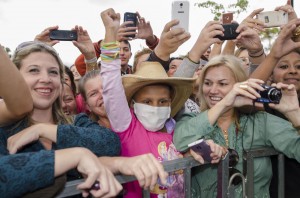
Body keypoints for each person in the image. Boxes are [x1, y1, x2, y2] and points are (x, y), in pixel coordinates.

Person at [99, 8, 223, 197]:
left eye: (163, 101)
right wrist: (110, 33)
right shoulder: (127, 127)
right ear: (133, 103)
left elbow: (182, 161)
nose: (155, 107)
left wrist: (200, 153)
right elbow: (110, 84)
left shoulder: (175, 129)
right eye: (147, 101)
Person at [0, 44, 122, 197]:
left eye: (53, 72)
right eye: (33, 70)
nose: (45, 79)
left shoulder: (76, 121)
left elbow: (110, 144)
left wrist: (43, 129)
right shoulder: (5, 132)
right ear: (16, 79)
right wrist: (75, 156)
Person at [173, 54, 300, 198]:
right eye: (208, 83)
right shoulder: (192, 119)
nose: (213, 90)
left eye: (222, 84)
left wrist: (295, 115)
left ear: (239, 85)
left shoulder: (260, 122)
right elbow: (180, 140)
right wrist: (225, 102)